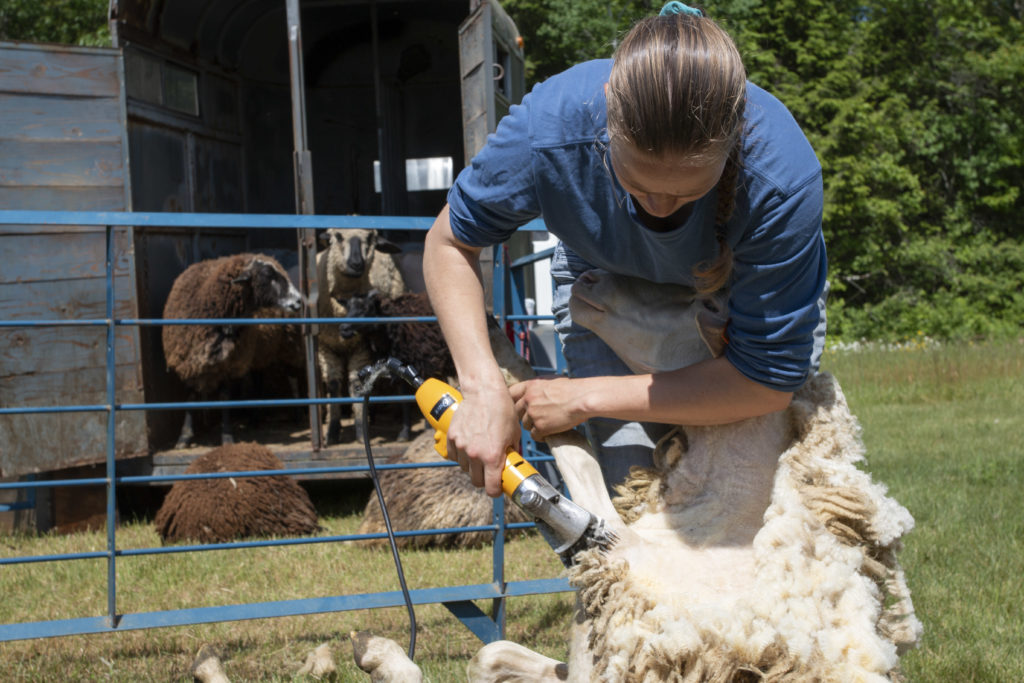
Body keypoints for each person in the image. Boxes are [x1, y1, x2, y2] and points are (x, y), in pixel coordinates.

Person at [423, 2, 828, 498]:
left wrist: (582, 397)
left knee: (747, 508)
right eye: (635, 182)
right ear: (607, 117)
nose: (658, 208)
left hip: (735, 315)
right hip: (606, 296)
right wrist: (483, 389)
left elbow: (764, 381)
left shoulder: (780, 178)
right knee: (637, 505)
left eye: (686, 193)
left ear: (733, 139)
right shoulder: (551, 129)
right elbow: (448, 242)